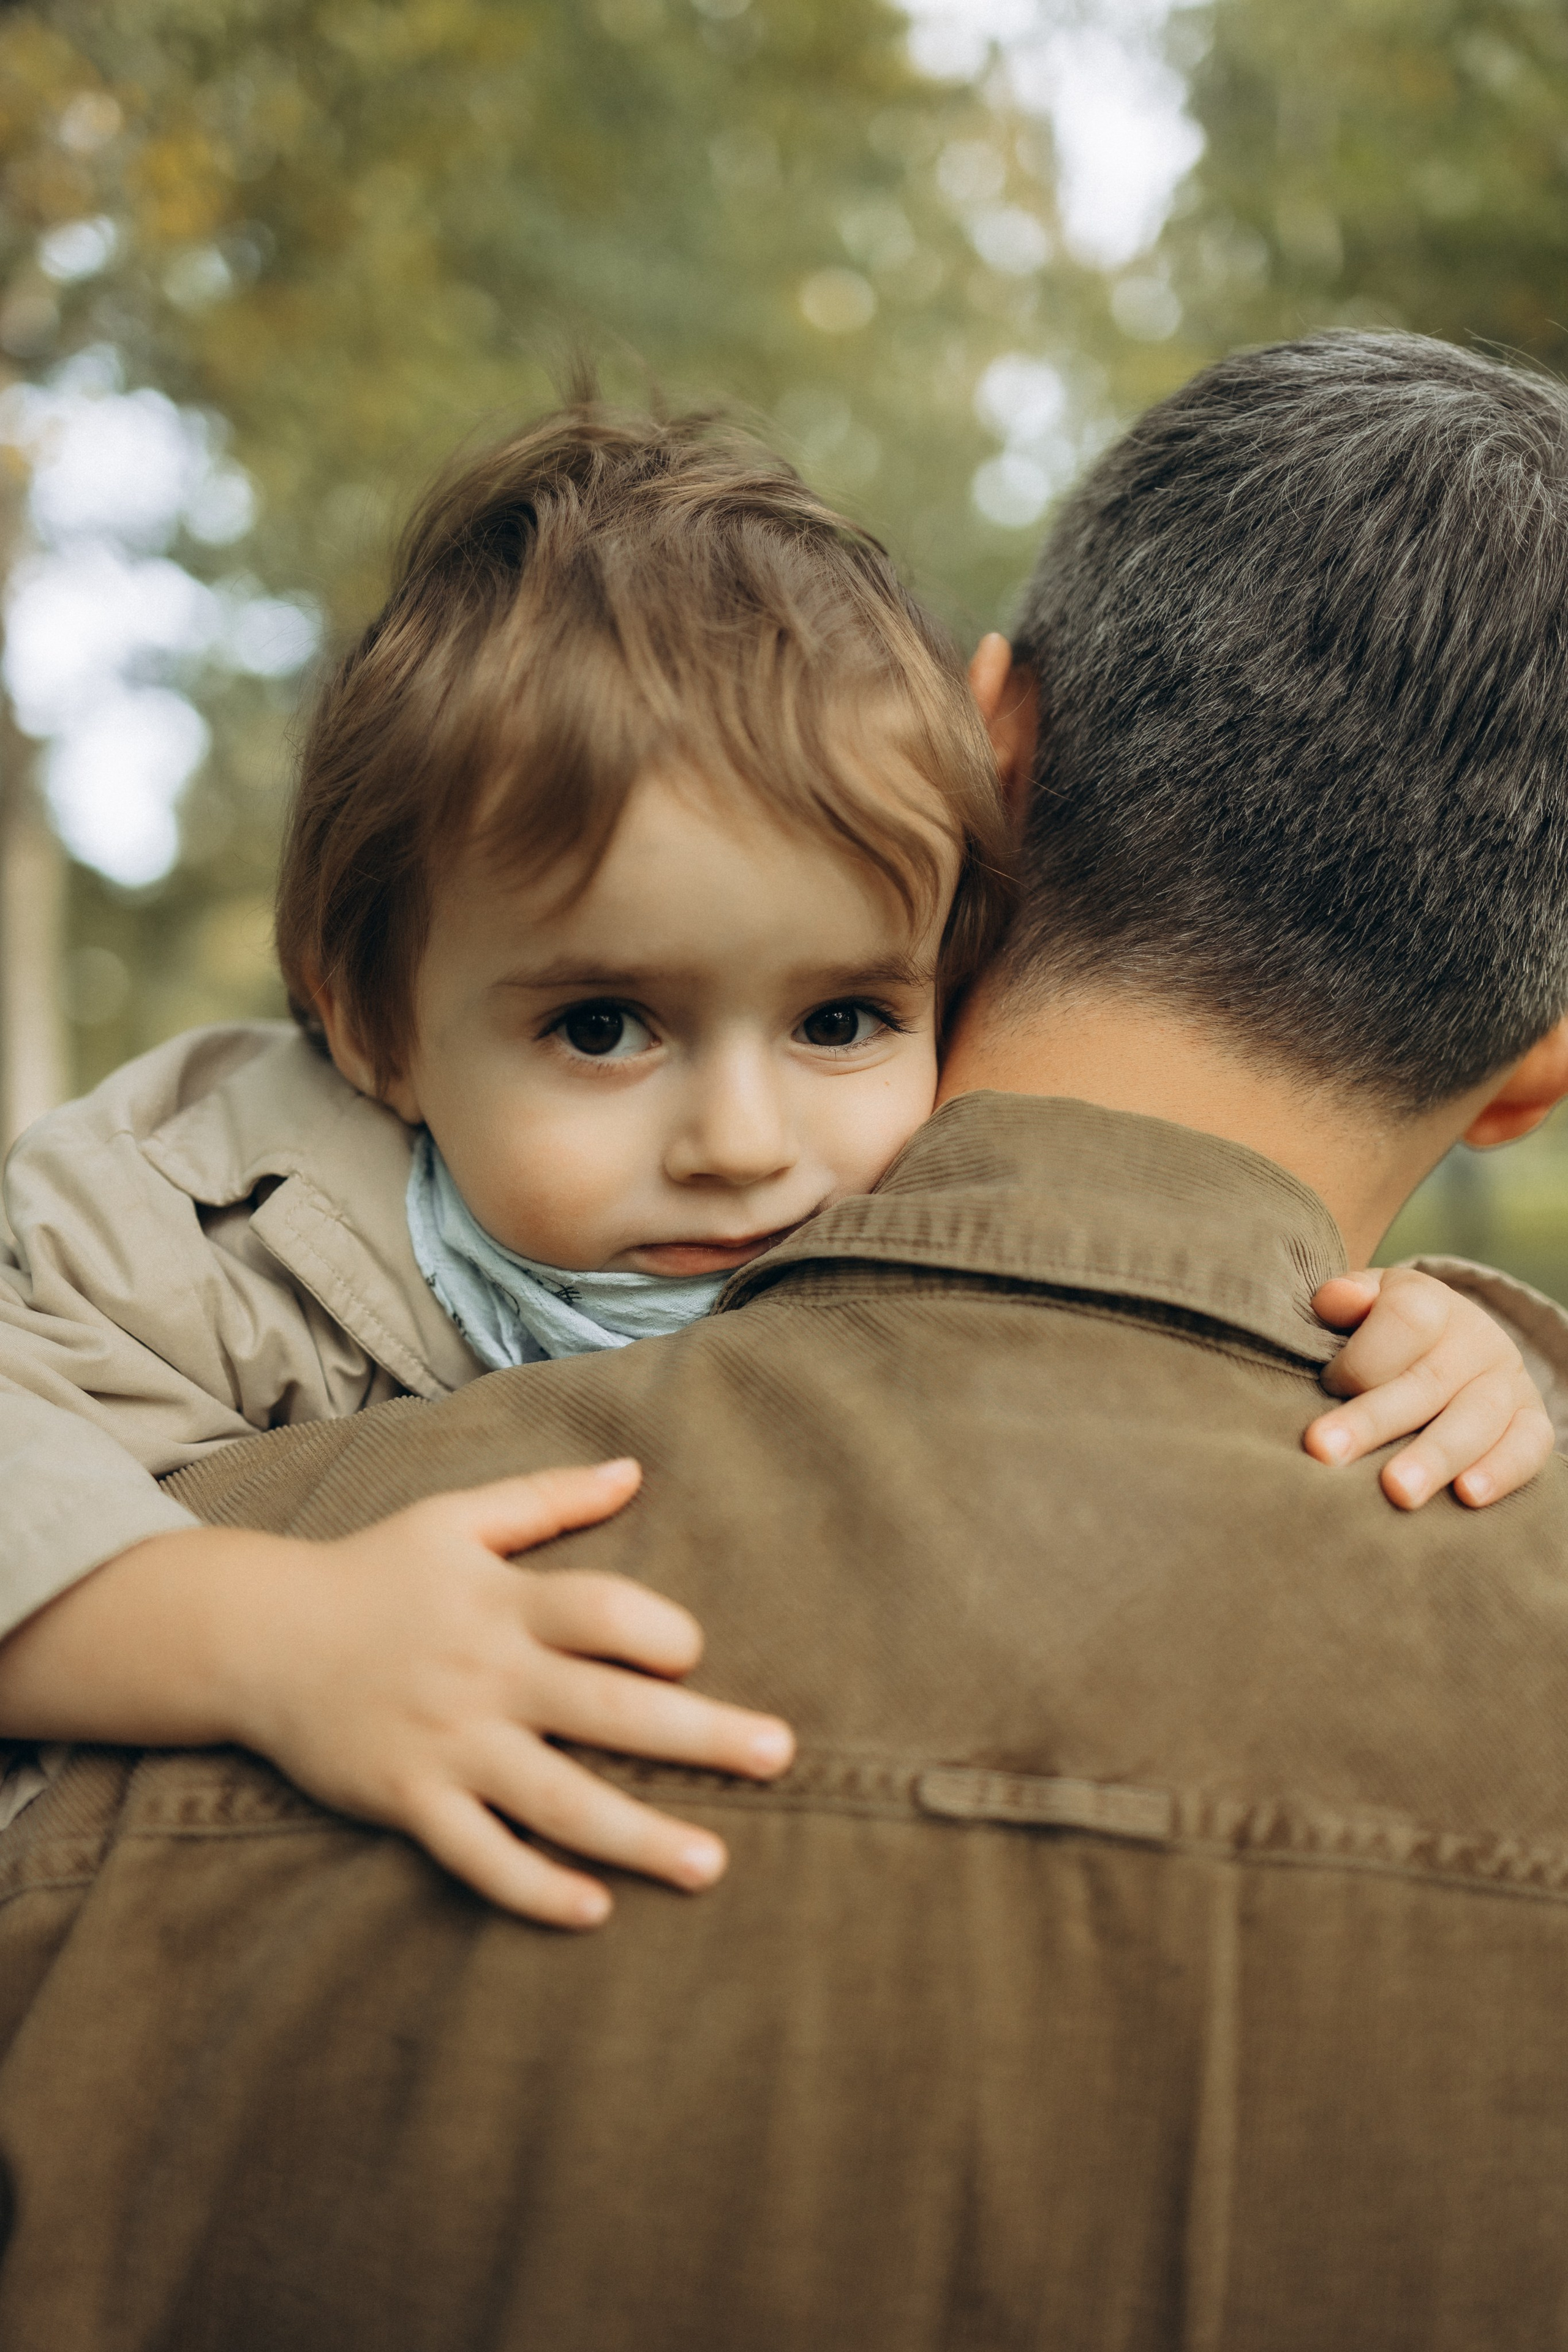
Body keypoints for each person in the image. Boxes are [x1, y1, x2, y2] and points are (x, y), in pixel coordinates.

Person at [4, 328, 1568, 2349]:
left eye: (842, 1018)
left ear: (987, 781)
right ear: (374, 1016)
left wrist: (1485, 1340)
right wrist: (264, 1634)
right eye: (600, 1025)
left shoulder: (1418, 1376)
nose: (740, 1142)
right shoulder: (192, 1226)